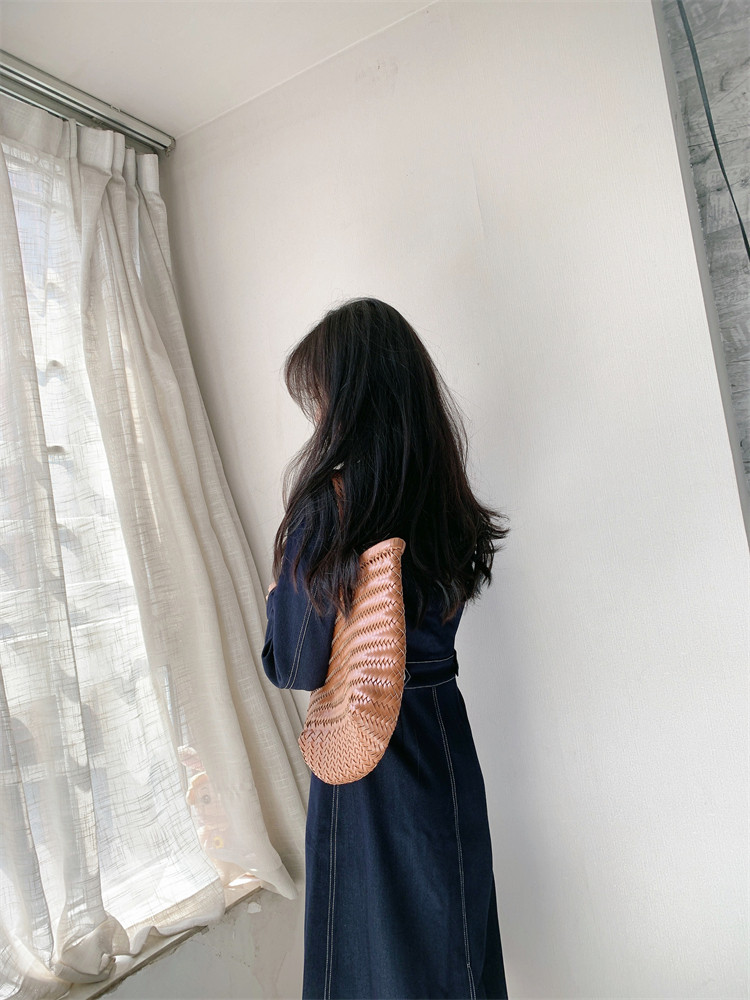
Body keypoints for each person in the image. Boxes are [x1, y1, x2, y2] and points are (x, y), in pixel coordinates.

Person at [261, 297, 510, 1000]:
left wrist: (282, 583)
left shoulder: (329, 509)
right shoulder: (442, 498)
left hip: (369, 759)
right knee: (454, 947)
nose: (316, 414)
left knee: (371, 966)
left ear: (348, 399)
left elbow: (294, 663)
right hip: (441, 740)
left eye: (319, 395)